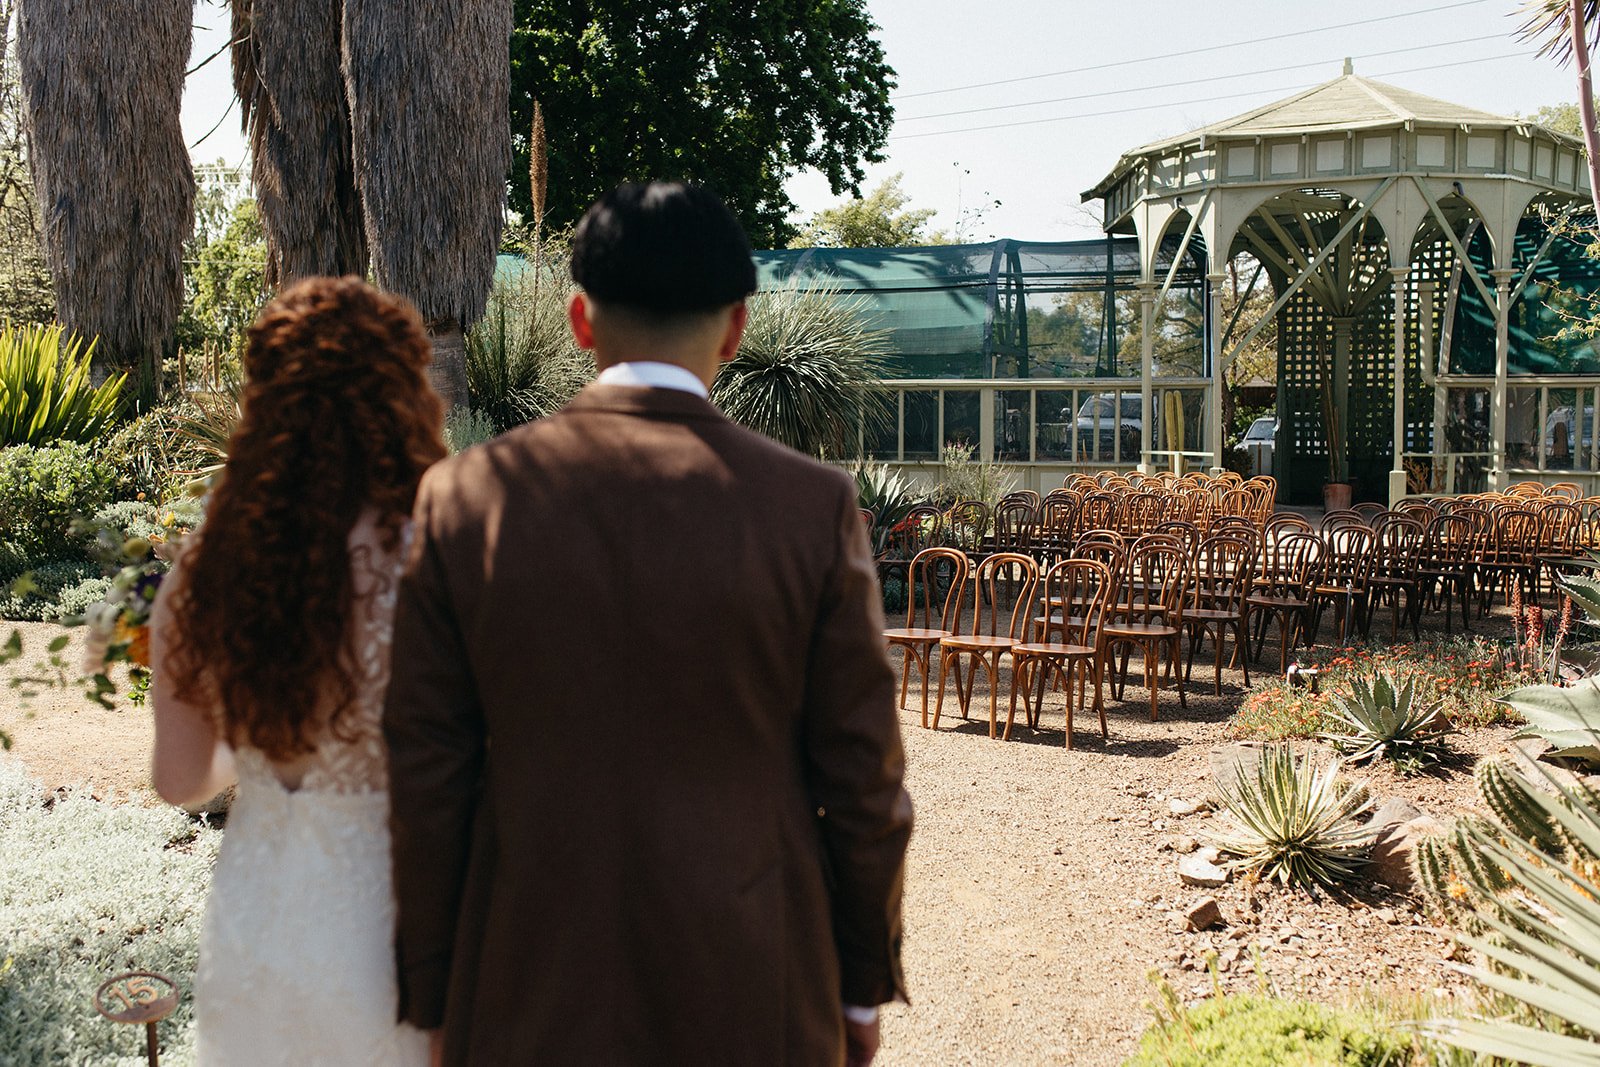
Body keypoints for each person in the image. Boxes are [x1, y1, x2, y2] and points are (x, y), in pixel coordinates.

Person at [383, 182, 914, 1067]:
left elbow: (425, 769)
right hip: (756, 979)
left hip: (524, 981)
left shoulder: (463, 498)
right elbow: (864, 777)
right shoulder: (810, 507)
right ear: (737, 329)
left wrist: (435, 990)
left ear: (580, 320)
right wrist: (860, 982)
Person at [149, 276, 448, 1065]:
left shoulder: (208, 563)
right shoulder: (442, 550)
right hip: (400, 925)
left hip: (258, 918)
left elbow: (182, 779)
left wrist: (256, 737)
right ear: (402, 392)